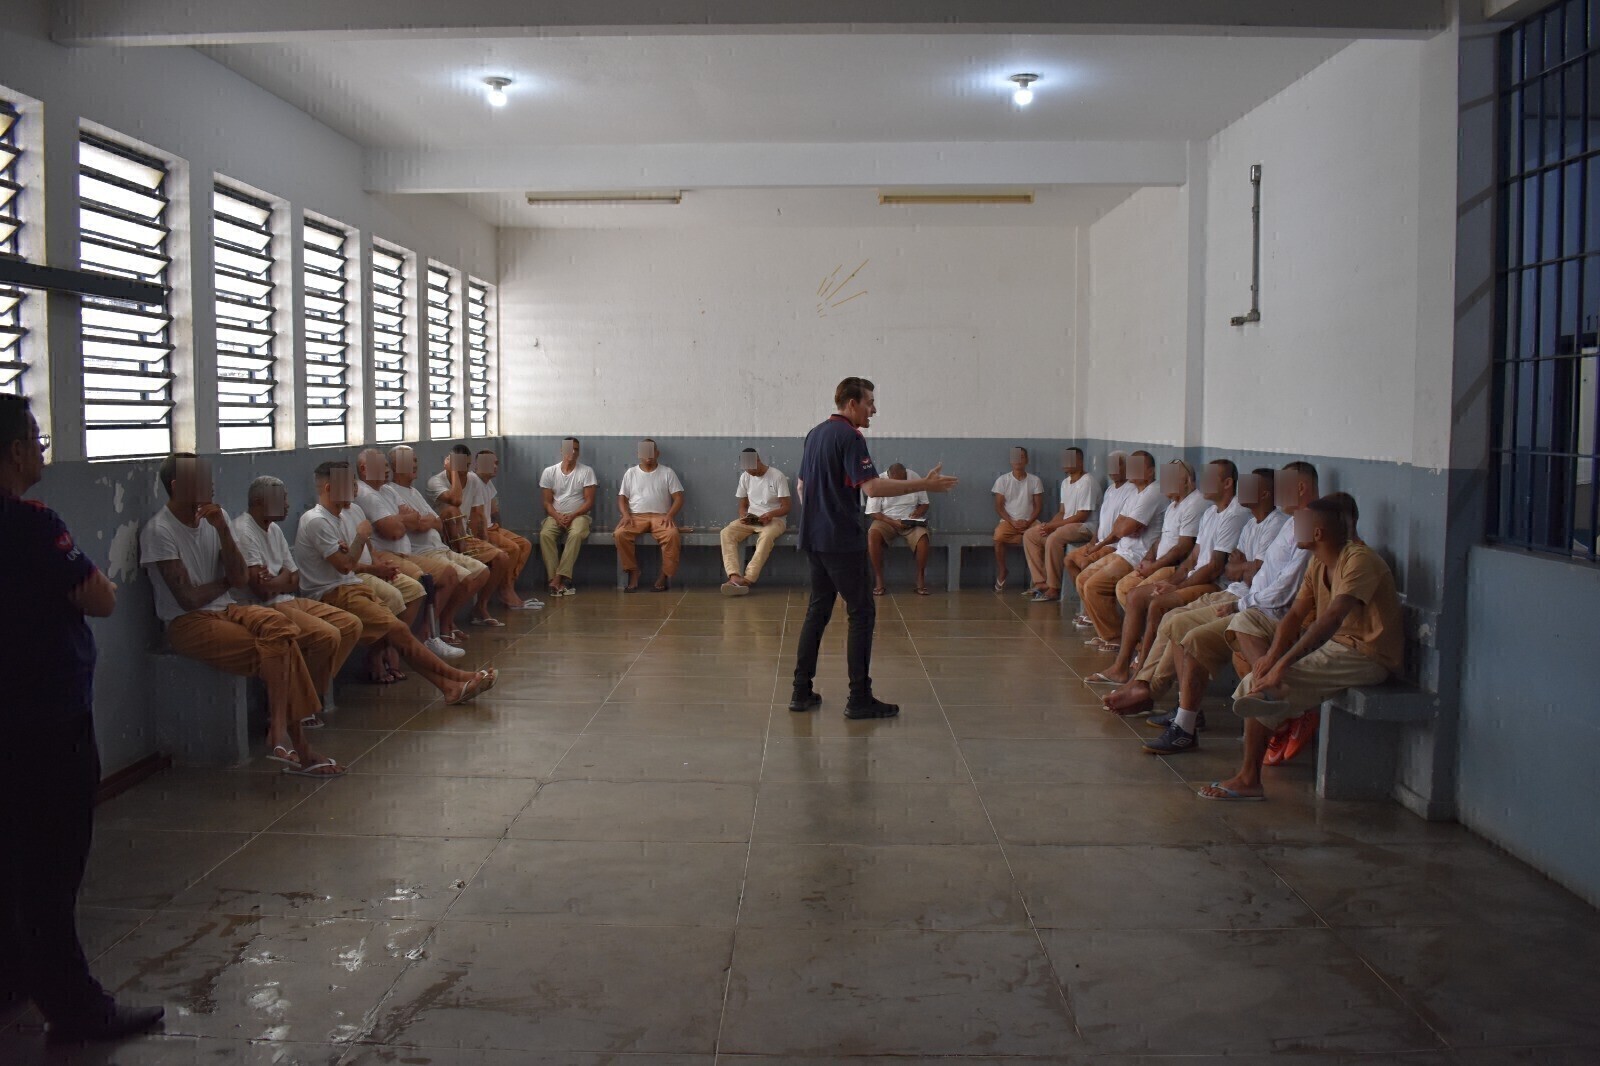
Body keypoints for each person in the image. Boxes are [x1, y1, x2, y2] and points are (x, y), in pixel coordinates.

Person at [0, 394, 164, 1042]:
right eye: (37, 439)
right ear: (16, 450)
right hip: (44, 722)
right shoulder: (32, 524)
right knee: (50, 869)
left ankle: (12, 975)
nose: (42, 450)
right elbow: (100, 597)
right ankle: (75, 1009)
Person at [140, 453, 343, 777]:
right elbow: (190, 598)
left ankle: (279, 727)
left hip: (228, 609)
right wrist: (226, 582)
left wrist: (222, 529)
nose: (211, 484)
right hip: (188, 623)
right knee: (284, 647)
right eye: (201, 479)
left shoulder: (215, 520)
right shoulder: (160, 531)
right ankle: (296, 745)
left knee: (281, 628)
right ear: (177, 486)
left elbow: (238, 576)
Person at [1196, 493, 1402, 800]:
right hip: (1336, 645)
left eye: (1301, 525)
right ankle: (1273, 707)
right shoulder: (1318, 562)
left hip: (1366, 654)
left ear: (1317, 533)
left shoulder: (1359, 561)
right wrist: (1271, 659)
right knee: (1258, 674)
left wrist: (1282, 665)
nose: (1294, 530)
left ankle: (1251, 776)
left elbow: (1331, 619)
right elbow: (1294, 616)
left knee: (1261, 684)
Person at [791, 377, 958, 719]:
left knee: (817, 611)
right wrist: (925, 483)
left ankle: (800, 691)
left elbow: (801, 486)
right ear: (852, 403)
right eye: (869, 402)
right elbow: (872, 488)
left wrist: (819, 517)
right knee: (861, 613)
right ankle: (859, 698)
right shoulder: (850, 436)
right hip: (841, 540)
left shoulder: (815, 434)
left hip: (814, 537)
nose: (874, 409)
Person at [1138, 462, 1318, 749]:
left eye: (1282, 486)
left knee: (1183, 625)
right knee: (1189, 634)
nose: (1277, 493)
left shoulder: (1306, 526)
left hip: (1263, 612)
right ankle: (1184, 723)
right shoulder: (1290, 523)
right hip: (1252, 606)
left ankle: (1282, 711)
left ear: (1299, 487)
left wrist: (1240, 601)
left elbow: (1284, 590)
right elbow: (1237, 569)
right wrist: (1245, 574)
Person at [293, 461, 494, 704]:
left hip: (353, 585)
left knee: (400, 628)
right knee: (399, 631)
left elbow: (355, 558)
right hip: (333, 592)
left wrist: (371, 559)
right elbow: (345, 565)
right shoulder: (317, 520)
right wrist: (361, 536)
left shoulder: (345, 514)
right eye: (348, 485)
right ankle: (456, 678)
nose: (354, 489)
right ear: (328, 488)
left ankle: (450, 687)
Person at [1101, 465, 1289, 718]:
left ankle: (1152, 691)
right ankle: (1141, 681)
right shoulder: (1235, 519)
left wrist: (1242, 567)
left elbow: (1222, 569)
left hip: (1232, 592)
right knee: (1163, 611)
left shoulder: (1258, 520)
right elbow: (1220, 565)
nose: (1203, 482)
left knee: (1169, 614)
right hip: (1230, 588)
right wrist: (1175, 583)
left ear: (1264, 493)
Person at [1090, 458, 1246, 684]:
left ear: (1228, 483)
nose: (1203, 482)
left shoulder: (1234, 514)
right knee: (1135, 595)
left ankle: (1143, 673)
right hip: (1193, 576)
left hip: (1213, 584)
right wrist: (1173, 582)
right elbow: (1193, 558)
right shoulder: (1211, 512)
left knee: (1157, 603)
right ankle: (1122, 667)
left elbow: (1213, 568)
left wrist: (1175, 586)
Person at [231, 476, 363, 728]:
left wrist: (278, 580)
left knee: (350, 625)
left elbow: (295, 578)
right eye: (281, 499)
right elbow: (261, 591)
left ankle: (302, 695)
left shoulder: (273, 529)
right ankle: (294, 706)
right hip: (261, 608)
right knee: (326, 635)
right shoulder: (243, 532)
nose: (287, 504)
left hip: (286, 598)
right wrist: (282, 578)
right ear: (258, 502)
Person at [356, 448, 461, 662]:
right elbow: (393, 531)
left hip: (405, 552)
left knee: (449, 574)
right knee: (420, 582)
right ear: (364, 469)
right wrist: (403, 520)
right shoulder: (365, 494)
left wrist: (400, 520)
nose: (387, 469)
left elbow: (416, 519)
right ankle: (393, 649)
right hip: (386, 554)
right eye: (382, 465)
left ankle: (427, 635)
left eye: (387, 465)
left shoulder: (387, 490)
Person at [383, 445, 494, 634]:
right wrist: (424, 521)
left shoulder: (414, 492)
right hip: (423, 551)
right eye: (409, 461)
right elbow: (417, 524)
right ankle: (435, 628)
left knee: (482, 572)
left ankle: (447, 619)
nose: (414, 465)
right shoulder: (391, 491)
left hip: (441, 547)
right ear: (395, 465)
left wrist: (425, 521)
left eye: (415, 460)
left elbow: (438, 523)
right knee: (464, 578)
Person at [1074, 451, 1164, 648]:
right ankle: (1109, 634)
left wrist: (1126, 527)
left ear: (1150, 471)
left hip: (1137, 555)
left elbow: (1123, 529)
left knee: (1094, 586)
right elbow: (1119, 527)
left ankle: (1115, 638)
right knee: (1082, 580)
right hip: (1122, 550)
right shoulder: (1135, 492)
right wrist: (1102, 542)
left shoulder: (1154, 492)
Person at [430, 445, 518, 626]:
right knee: (452, 510)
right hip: (445, 537)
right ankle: (448, 619)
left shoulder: (473, 480)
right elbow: (456, 500)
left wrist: (484, 540)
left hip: (465, 536)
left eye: (467, 465)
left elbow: (478, 514)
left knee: (501, 557)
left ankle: (481, 606)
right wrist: (455, 472)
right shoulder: (435, 482)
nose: (464, 470)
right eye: (459, 465)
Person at [464, 449, 541, 610]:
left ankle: (508, 584)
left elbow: (494, 511)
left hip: (493, 528)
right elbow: (477, 515)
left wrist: (501, 530)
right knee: (512, 549)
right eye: (490, 463)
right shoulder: (473, 480)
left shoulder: (488, 483)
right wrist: (484, 539)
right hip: (481, 531)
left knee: (525, 545)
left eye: (496, 463)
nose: (494, 466)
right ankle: (506, 591)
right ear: (477, 464)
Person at [1023, 447, 1101, 601]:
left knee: (1055, 538)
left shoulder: (1087, 482)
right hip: (1068, 525)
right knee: (1031, 535)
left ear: (1080, 461)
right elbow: (1062, 511)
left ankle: (1054, 587)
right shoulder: (1066, 482)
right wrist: (1048, 526)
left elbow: (1082, 516)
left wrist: (1054, 528)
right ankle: (1041, 582)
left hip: (1086, 527)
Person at [1064, 451, 1135, 617]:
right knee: (1069, 560)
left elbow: (1120, 528)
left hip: (1114, 545)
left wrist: (1098, 546)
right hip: (1100, 541)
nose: (1112, 469)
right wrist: (1092, 542)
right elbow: (1103, 520)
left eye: (1117, 465)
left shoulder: (1131, 490)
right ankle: (1088, 606)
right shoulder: (1110, 489)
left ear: (1127, 467)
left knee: (1085, 562)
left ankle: (1091, 612)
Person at [615, 438, 685, 593]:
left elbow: (679, 498)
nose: (648, 454)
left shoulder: (667, 472)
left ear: (657, 453)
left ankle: (664, 575)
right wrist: (625, 515)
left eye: (651, 451)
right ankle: (633, 571)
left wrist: (670, 515)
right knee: (620, 534)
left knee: (672, 534)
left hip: (661, 517)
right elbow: (622, 498)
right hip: (636, 516)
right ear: (639, 454)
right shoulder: (631, 473)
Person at [720, 448, 792, 596]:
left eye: (752, 469)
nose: (750, 473)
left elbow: (786, 507)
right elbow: (742, 505)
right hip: (752, 519)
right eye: (746, 470)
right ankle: (734, 576)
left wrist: (770, 514)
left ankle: (747, 579)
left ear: (758, 460)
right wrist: (743, 515)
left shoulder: (777, 476)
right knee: (726, 533)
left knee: (766, 537)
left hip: (775, 519)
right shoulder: (745, 477)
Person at [538, 437, 597, 596]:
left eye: (576, 449)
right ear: (562, 450)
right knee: (545, 535)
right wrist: (557, 517)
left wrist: (573, 515)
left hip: (579, 516)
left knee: (576, 534)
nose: (572, 452)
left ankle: (559, 578)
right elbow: (547, 502)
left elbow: (589, 501)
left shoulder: (586, 471)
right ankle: (556, 582)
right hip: (555, 516)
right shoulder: (549, 472)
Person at [866, 463, 933, 596]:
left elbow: (925, 504)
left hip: (910, 521)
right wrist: (893, 522)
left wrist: (917, 514)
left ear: (906, 475)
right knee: (872, 535)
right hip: (886, 520)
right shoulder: (878, 482)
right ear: (889, 476)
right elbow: (874, 512)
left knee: (923, 538)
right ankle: (879, 579)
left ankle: (920, 578)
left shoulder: (915, 478)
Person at [989, 446, 1044, 592]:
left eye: (1021, 457)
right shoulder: (1002, 480)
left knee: (1042, 538)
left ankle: (1038, 581)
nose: (1018, 460)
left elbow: (1038, 507)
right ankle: (1002, 571)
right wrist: (1012, 521)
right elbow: (999, 507)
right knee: (998, 537)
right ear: (1010, 460)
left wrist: (1028, 521)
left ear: (1027, 460)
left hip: (1030, 521)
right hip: (1009, 521)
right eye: (1015, 457)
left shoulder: (1035, 480)